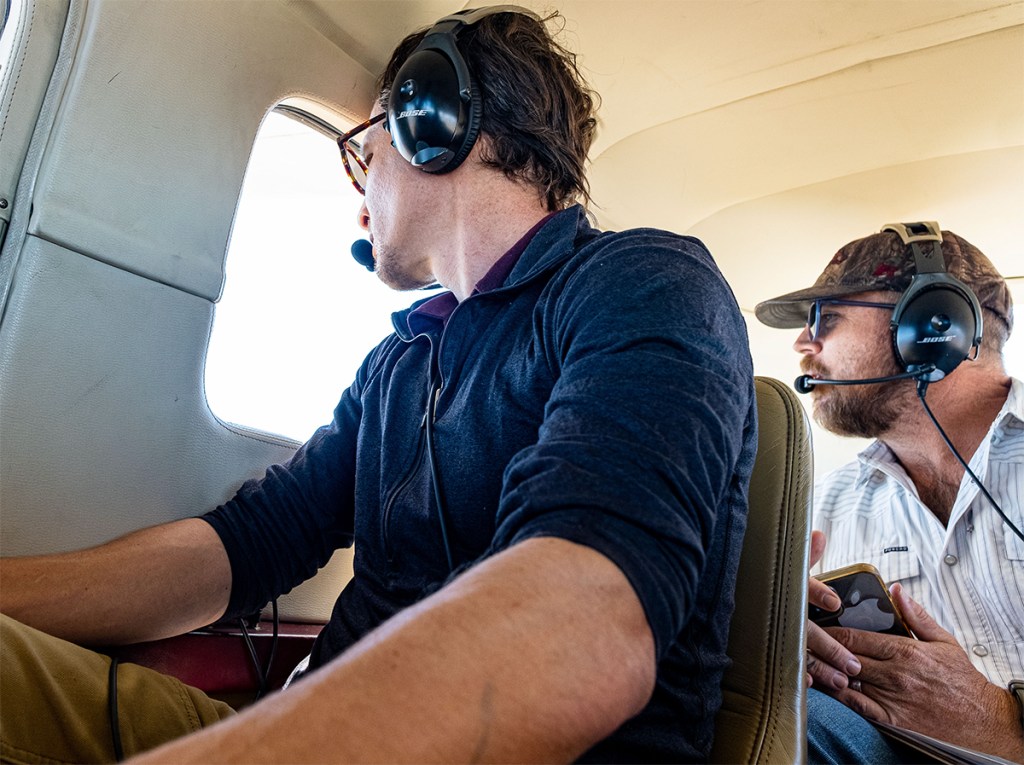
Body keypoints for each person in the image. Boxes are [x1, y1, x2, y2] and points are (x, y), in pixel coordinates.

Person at [0, 7, 757, 763]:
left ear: (432, 124)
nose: (359, 193)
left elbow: (582, 626)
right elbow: (250, 543)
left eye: (364, 153)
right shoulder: (398, 362)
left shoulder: (646, 285)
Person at [755, 224, 1024, 763]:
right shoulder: (821, 509)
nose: (803, 344)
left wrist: (1001, 725)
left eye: (826, 318)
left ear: (934, 323)